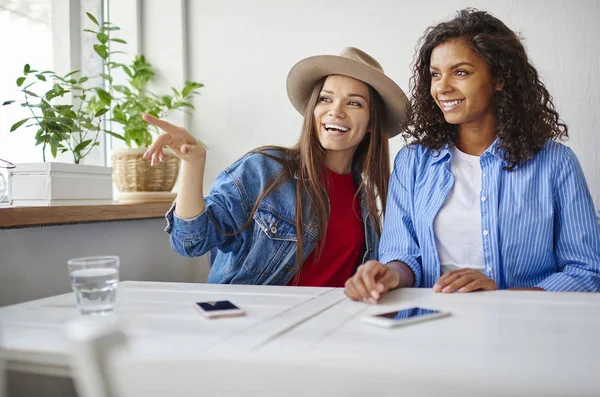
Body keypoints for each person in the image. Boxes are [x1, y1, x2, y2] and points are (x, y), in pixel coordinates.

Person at [345, 9, 600, 303]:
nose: (442, 87)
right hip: (431, 326)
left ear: (499, 78)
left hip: (525, 328)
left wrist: (502, 296)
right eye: (435, 74)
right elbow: (402, 255)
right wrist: (389, 274)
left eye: (461, 72)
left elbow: (587, 270)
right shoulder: (412, 162)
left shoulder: (556, 163)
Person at [143, 47, 409, 286]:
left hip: (330, 331)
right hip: (255, 323)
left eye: (354, 103)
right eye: (325, 99)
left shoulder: (368, 205)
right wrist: (193, 163)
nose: (336, 111)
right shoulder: (263, 171)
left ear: (372, 123)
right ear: (311, 110)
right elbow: (191, 242)